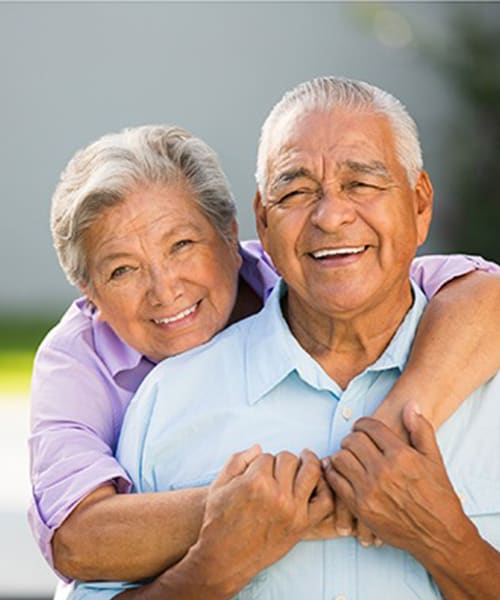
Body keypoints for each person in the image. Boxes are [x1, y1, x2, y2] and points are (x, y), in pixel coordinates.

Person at [73, 77, 500, 599]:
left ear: (419, 204)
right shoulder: (169, 400)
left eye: (361, 183)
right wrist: (209, 569)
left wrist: (449, 542)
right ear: (262, 223)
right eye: (296, 192)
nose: (330, 215)